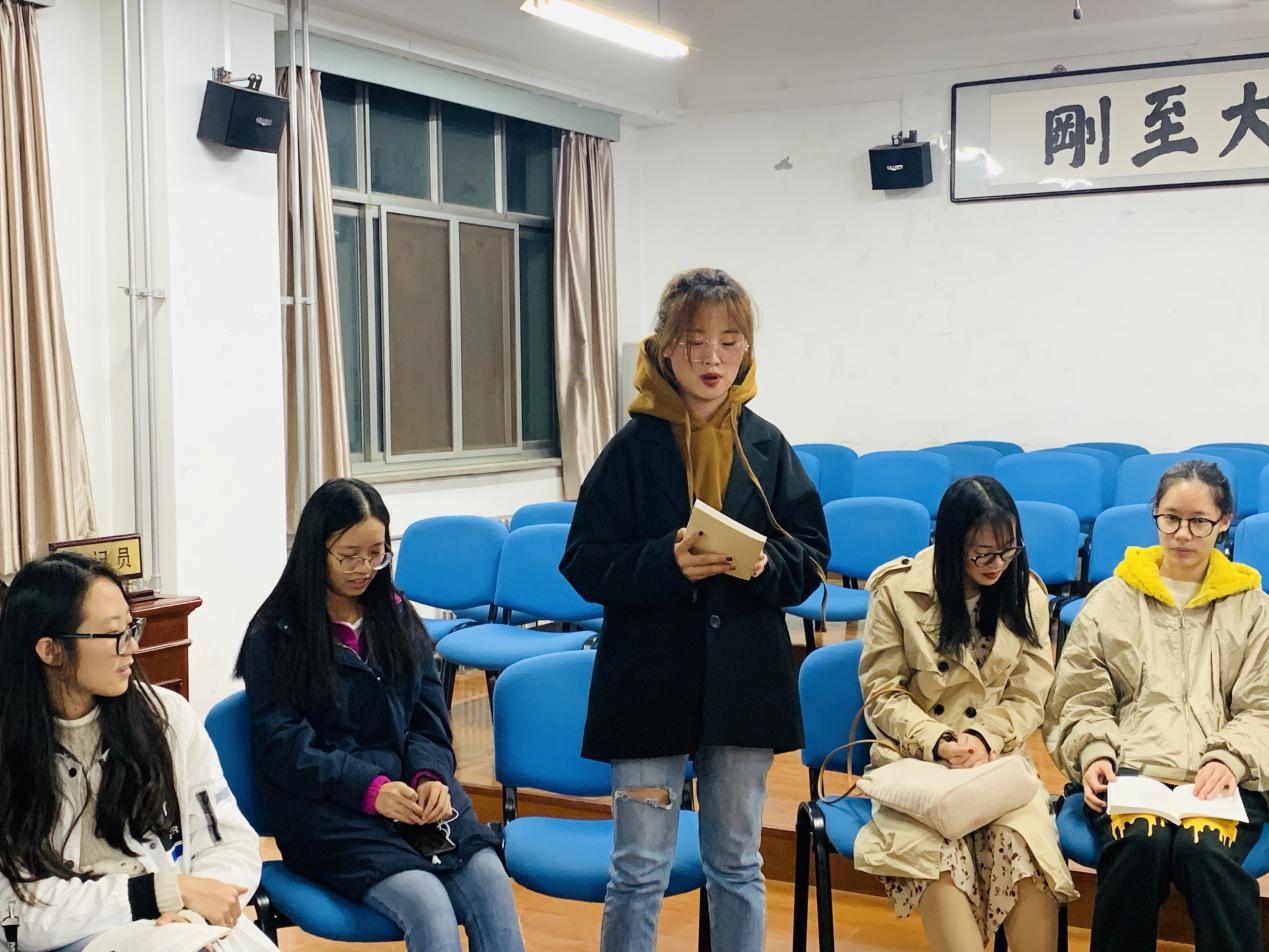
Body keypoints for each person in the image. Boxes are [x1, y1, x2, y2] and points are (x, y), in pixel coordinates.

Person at [560, 267, 829, 952]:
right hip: (647, 682)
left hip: (743, 682)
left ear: (747, 350)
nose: (712, 358)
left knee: (736, 862)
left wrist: (765, 564)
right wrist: (665, 562)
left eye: (729, 342)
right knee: (638, 868)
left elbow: (810, 555)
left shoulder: (766, 446)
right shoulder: (630, 449)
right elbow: (583, 561)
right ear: (662, 347)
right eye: (694, 341)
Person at [234, 478, 524, 952]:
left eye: (376, 554)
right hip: (328, 813)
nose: (364, 569)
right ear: (315, 550)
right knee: (427, 901)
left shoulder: (396, 615)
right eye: (349, 556)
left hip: (412, 798)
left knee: (490, 879)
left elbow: (429, 718)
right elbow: (283, 747)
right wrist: (370, 790)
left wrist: (431, 776)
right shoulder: (276, 633)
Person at [1045, 459, 1269, 952]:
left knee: (1206, 853)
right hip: (1132, 770)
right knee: (1138, 846)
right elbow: (1080, 697)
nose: (1182, 534)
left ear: (1225, 521)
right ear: (1155, 516)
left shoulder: (1253, 607)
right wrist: (1093, 753)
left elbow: (1263, 706)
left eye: (1199, 521)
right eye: (1170, 518)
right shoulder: (1112, 599)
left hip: (1222, 778)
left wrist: (1230, 758)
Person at [0, 552, 275, 952]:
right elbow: (16, 914)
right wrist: (160, 892)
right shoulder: (11, 747)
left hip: (184, 924)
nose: (132, 647)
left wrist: (192, 916)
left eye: (132, 627)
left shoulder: (166, 718)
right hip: (79, 937)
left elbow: (228, 840)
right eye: (115, 634)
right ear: (51, 650)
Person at [854, 476, 1075, 952]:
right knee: (938, 862)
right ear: (951, 543)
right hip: (918, 764)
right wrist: (936, 740)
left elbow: (1029, 695)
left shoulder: (1027, 594)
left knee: (1026, 854)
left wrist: (983, 737)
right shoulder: (898, 591)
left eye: (1008, 551)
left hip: (996, 765)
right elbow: (882, 691)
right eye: (982, 554)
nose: (997, 565)